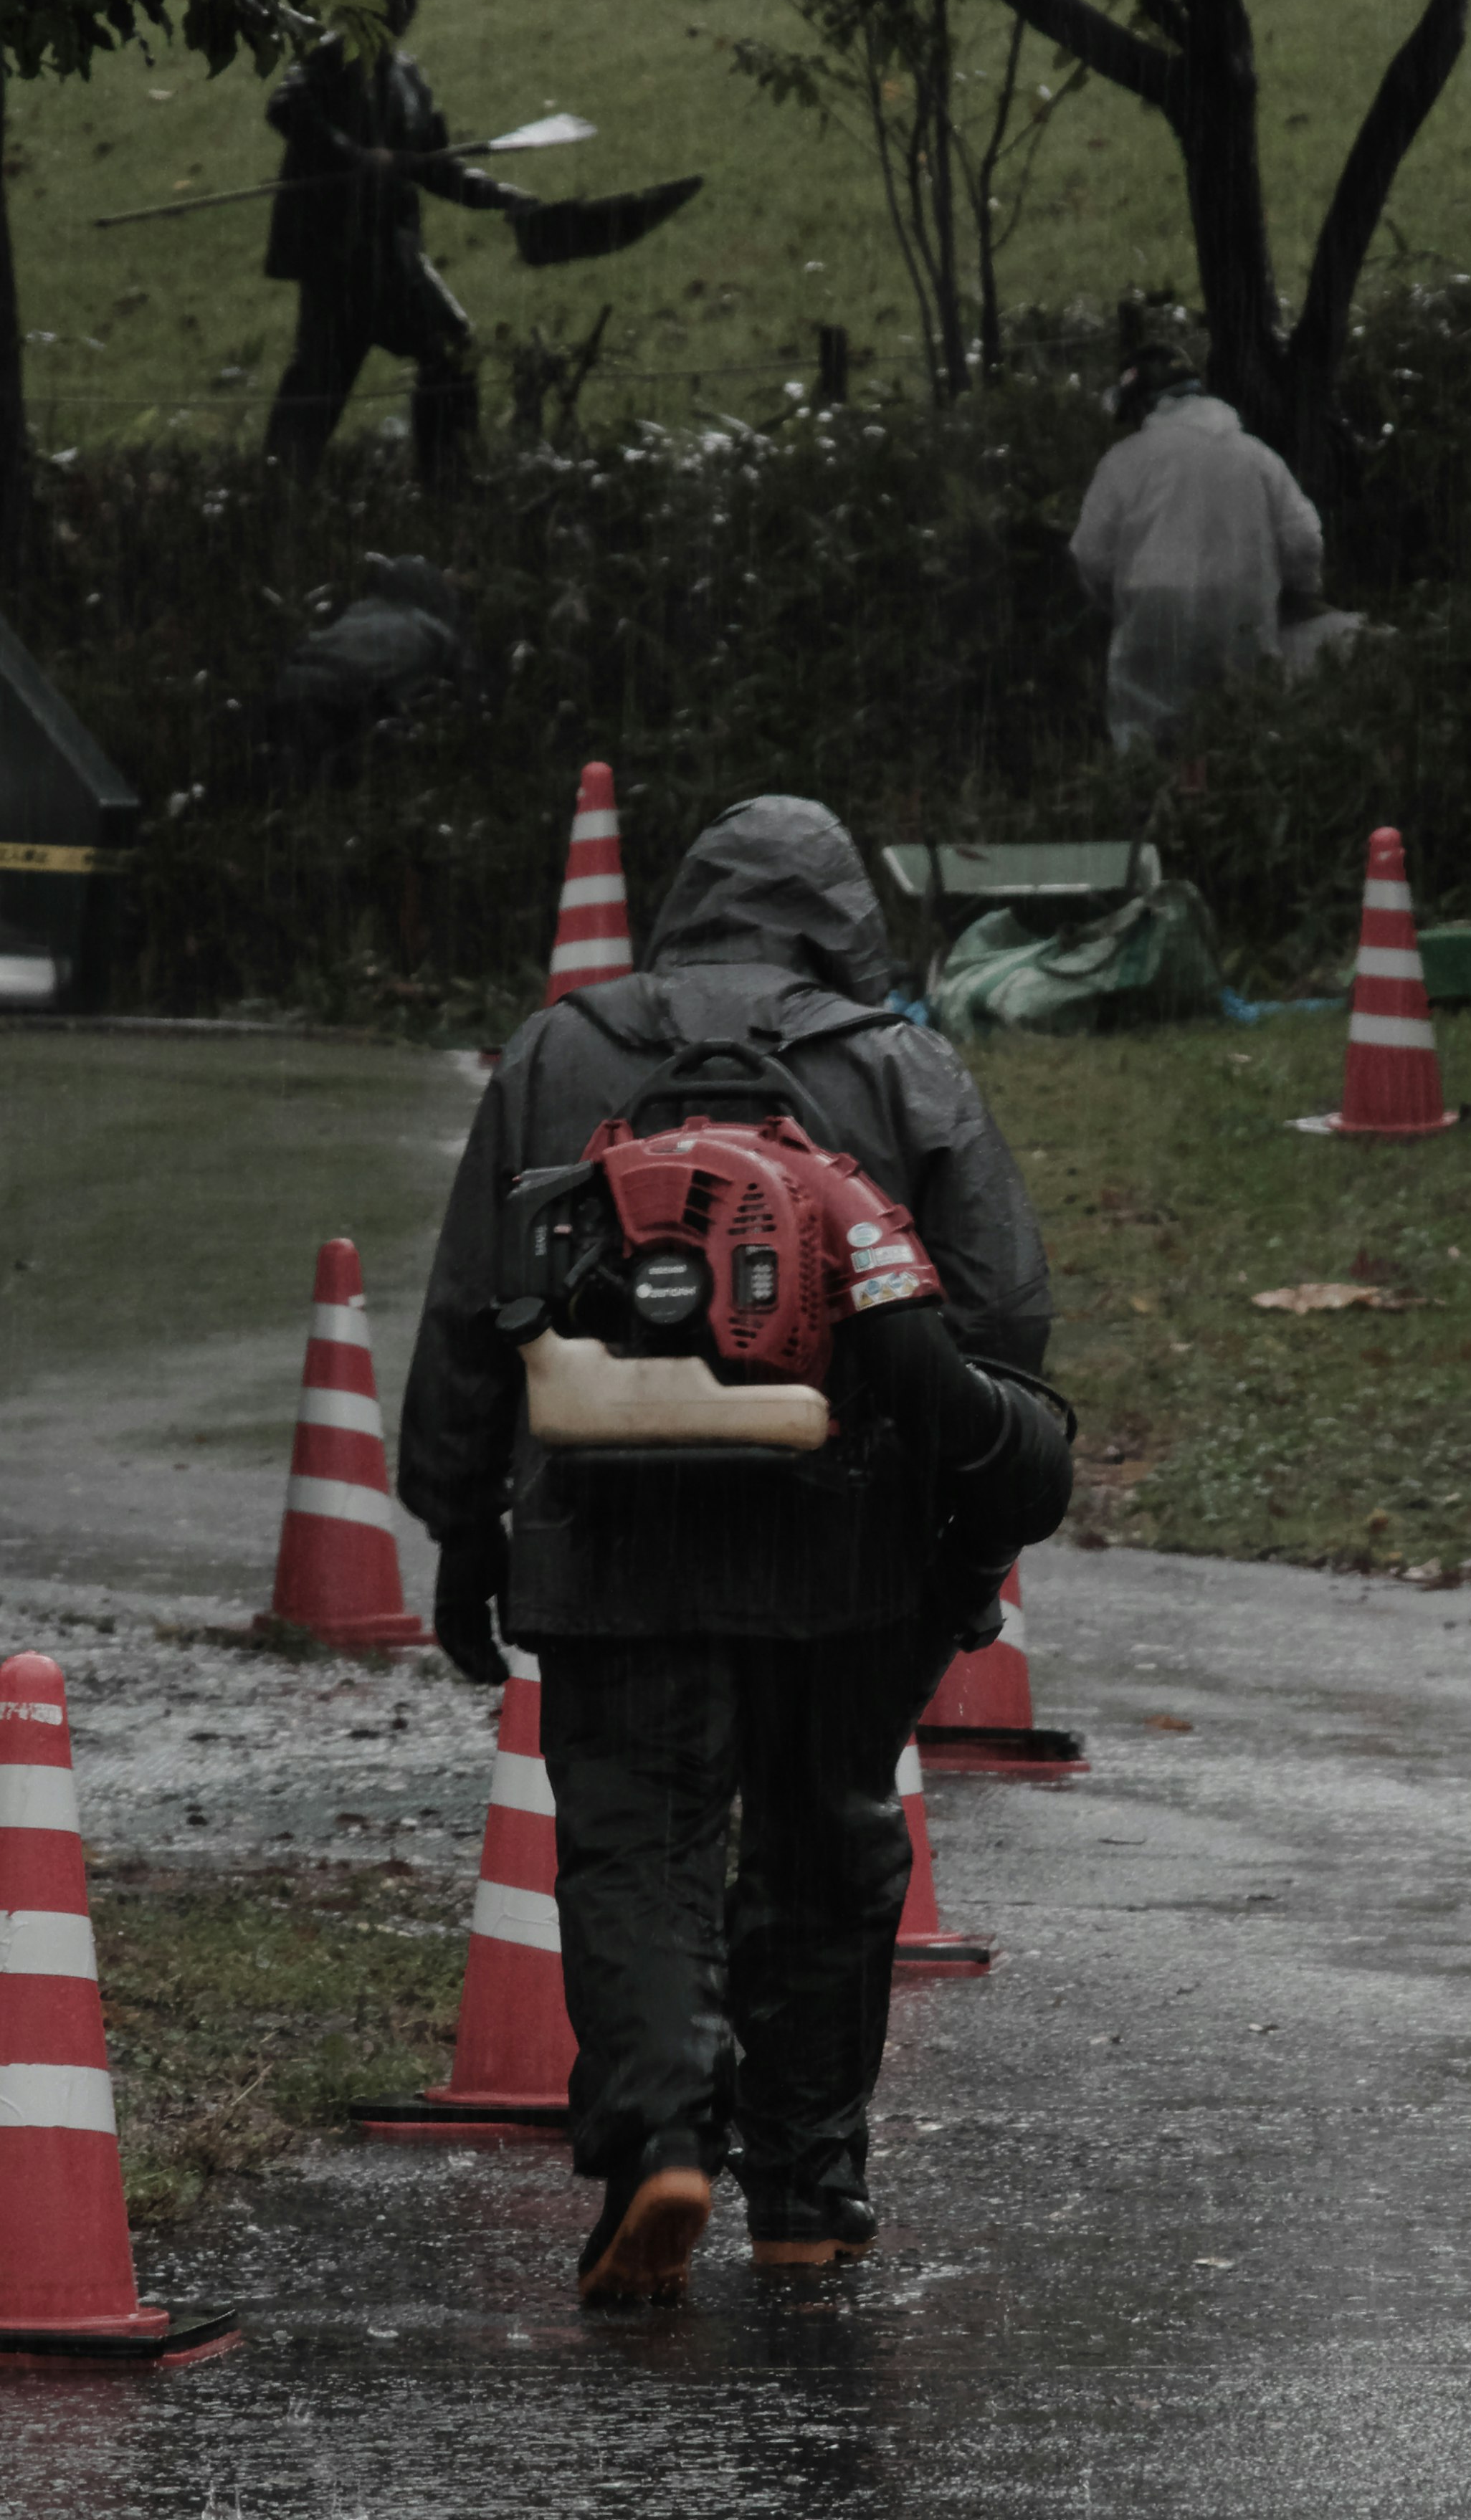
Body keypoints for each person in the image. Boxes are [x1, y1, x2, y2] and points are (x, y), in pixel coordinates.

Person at [396, 796, 1064, 2304]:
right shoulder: (900, 1063)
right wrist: (965, 1556)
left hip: (611, 1532)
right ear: (847, 924)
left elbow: (468, 1307)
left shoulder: (561, 1053)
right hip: (847, 1541)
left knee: (637, 1848)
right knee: (828, 1849)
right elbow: (1003, 1323)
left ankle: (662, 2146)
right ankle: (811, 2190)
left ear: (688, 907)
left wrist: (456, 1524)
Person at [262, 0, 538, 487]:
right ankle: (275, 498)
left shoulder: (410, 80)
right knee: (318, 386)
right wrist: (356, 158)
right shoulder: (330, 59)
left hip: (395, 258)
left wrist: (503, 198)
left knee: (454, 350)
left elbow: (437, 167)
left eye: (411, 1)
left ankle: (447, 481)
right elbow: (285, 107)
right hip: (337, 262)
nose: (406, 11)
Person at [1070, 342, 1326, 754]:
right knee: (1243, 730)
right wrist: (1291, 591)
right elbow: (1305, 542)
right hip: (1243, 613)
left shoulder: (1123, 461)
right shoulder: (1257, 457)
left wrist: (1115, 603)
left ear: (1143, 408)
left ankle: (1155, 798)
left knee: (1149, 742)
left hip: (1154, 618)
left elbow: (1090, 554)